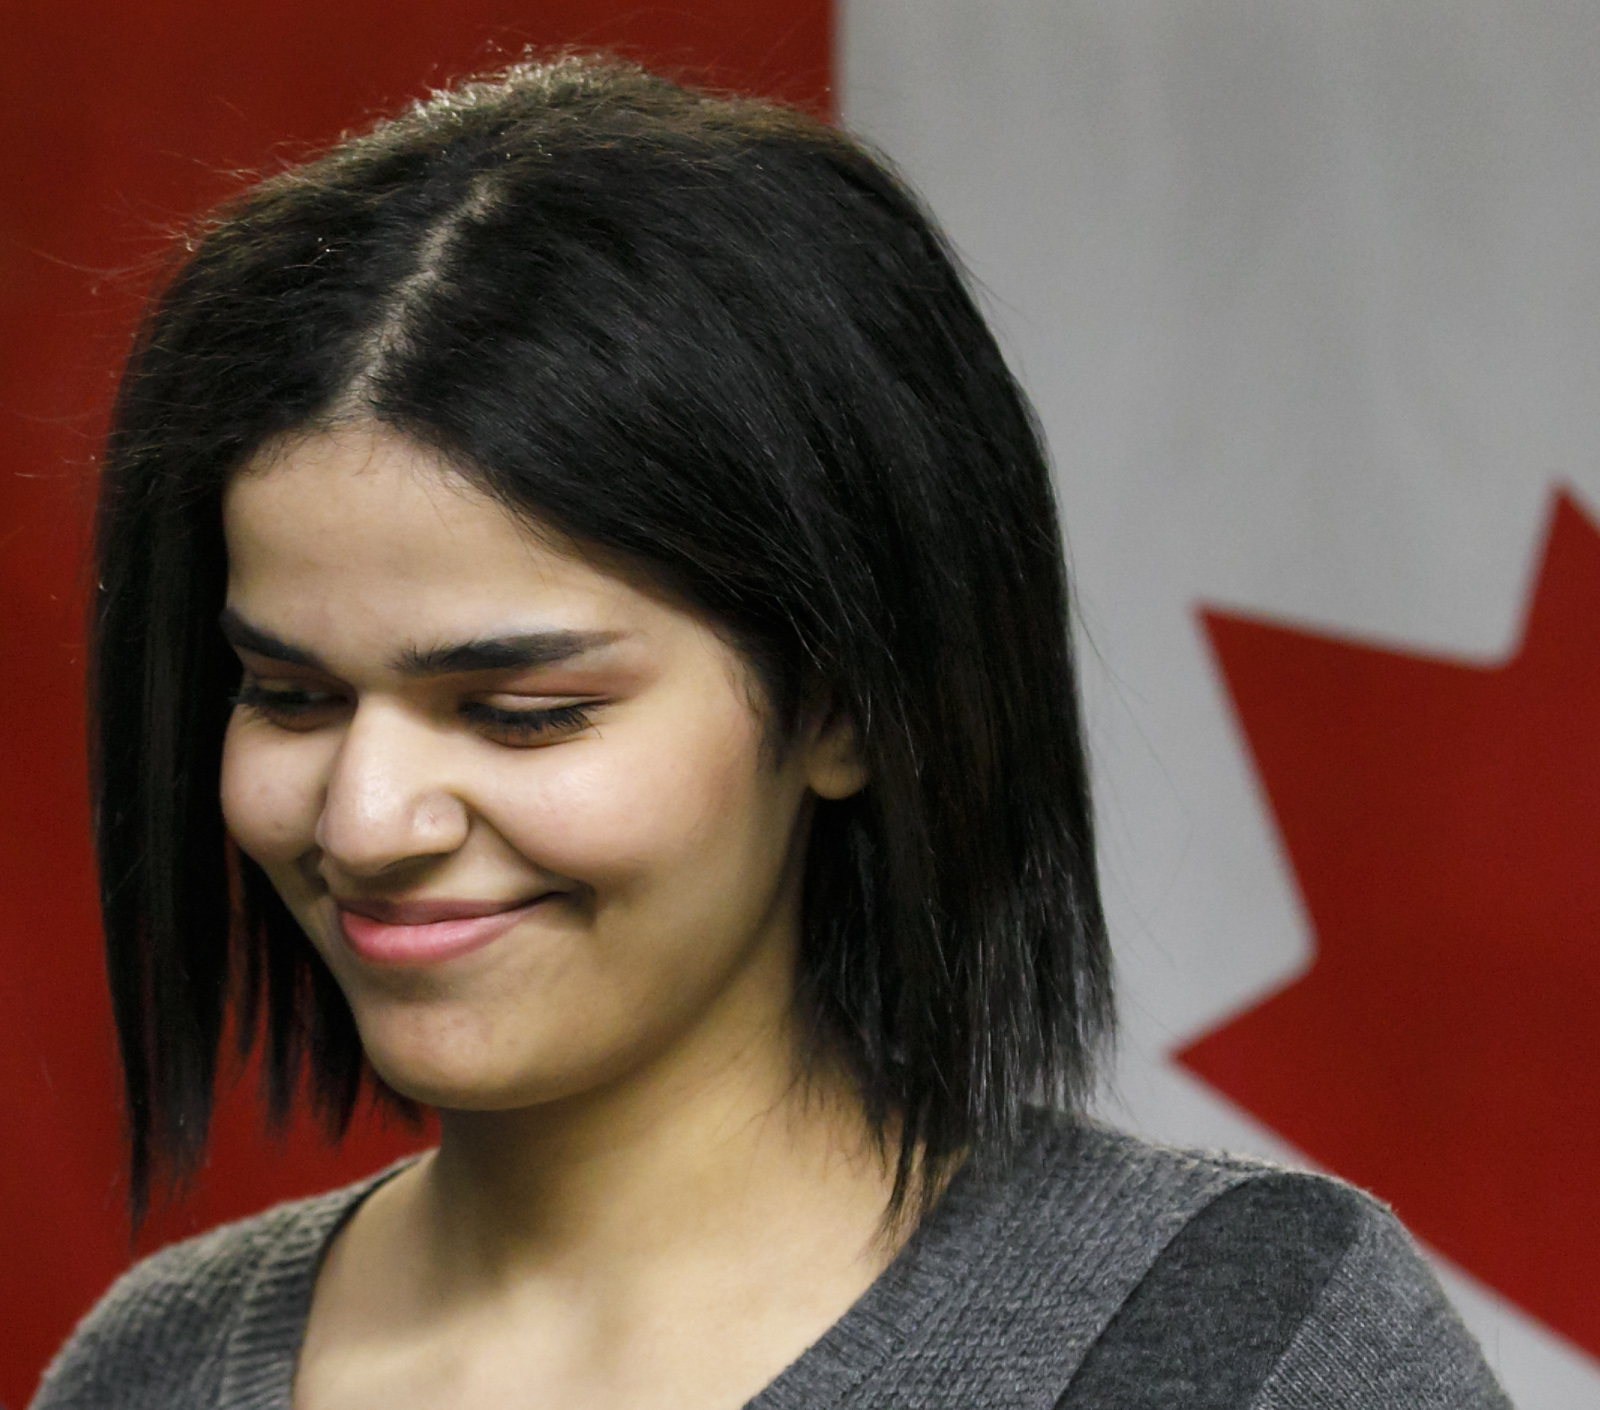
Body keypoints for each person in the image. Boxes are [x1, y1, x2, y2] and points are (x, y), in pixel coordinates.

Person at [32, 54, 1508, 1410]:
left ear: (846, 704)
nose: (365, 816)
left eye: (525, 713)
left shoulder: (1239, 1341)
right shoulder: (147, 1368)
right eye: (293, 697)